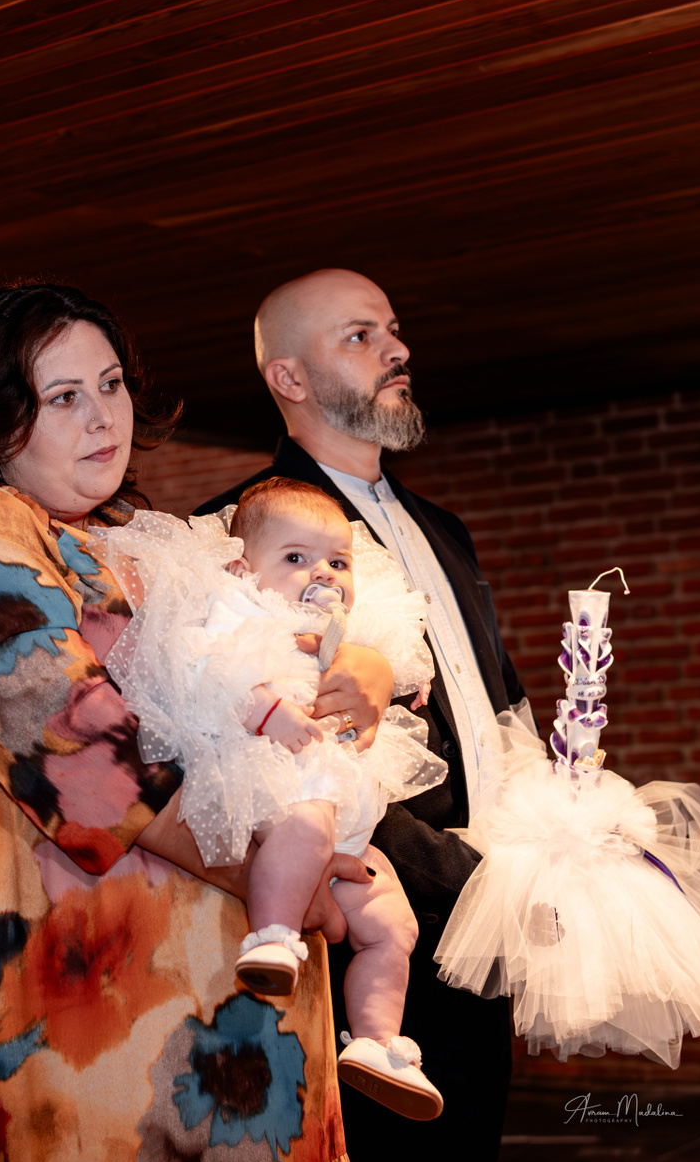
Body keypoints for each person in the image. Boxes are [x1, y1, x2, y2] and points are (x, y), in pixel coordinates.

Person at [0, 283, 386, 1162]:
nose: (103, 415)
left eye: (110, 385)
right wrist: (278, 880)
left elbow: (272, 645)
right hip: (98, 1028)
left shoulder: (130, 541)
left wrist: (357, 663)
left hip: (236, 1019)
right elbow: (80, 752)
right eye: (63, 396)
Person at [195, 268, 528, 1162]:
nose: (397, 349)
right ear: (289, 377)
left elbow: (488, 705)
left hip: (488, 900)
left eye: (393, 330)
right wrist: (451, 874)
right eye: (360, 336)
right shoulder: (237, 533)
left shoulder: (443, 530)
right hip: (358, 911)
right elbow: (240, 738)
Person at [94, 477, 447, 1119]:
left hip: (342, 812)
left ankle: (376, 1041)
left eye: (338, 561)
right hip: (273, 782)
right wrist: (266, 710)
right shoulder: (236, 611)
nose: (323, 573)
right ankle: (273, 937)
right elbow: (199, 671)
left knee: (395, 925)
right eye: (296, 557)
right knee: (306, 827)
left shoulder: (338, 632)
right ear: (242, 568)